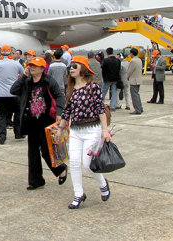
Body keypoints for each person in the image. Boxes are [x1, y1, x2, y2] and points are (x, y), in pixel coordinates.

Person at [57, 56, 111, 209]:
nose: (71, 69)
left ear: (83, 68)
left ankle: (102, 184)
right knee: (74, 162)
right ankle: (78, 194)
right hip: (75, 130)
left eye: (75, 66)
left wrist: (104, 130)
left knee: (87, 164)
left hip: (92, 130)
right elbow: (67, 110)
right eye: (70, 67)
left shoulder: (94, 87)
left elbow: (100, 109)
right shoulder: (71, 88)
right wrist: (60, 129)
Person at [12, 56, 68, 190]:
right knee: (32, 153)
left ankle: (60, 169)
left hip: (45, 121)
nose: (31, 68)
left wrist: (60, 113)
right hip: (30, 122)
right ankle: (36, 181)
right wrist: (23, 77)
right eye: (30, 66)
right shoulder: (27, 81)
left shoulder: (48, 81)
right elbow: (13, 90)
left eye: (35, 66)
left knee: (46, 150)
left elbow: (60, 96)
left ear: (42, 69)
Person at [0, 45, 25, 144]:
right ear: (11, 53)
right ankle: (18, 133)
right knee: (18, 113)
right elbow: (23, 75)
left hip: (1, 94)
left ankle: (2, 137)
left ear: (0, 53)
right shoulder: (16, 64)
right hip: (14, 94)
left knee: (1, 115)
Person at [126, 48, 143, 114]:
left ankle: (137, 109)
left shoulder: (133, 61)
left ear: (132, 53)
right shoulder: (139, 60)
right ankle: (140, 108)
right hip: (138, 79)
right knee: (137, 95)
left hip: (134, 80)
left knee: (134, 96)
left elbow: (130, 70)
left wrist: (127, 77)